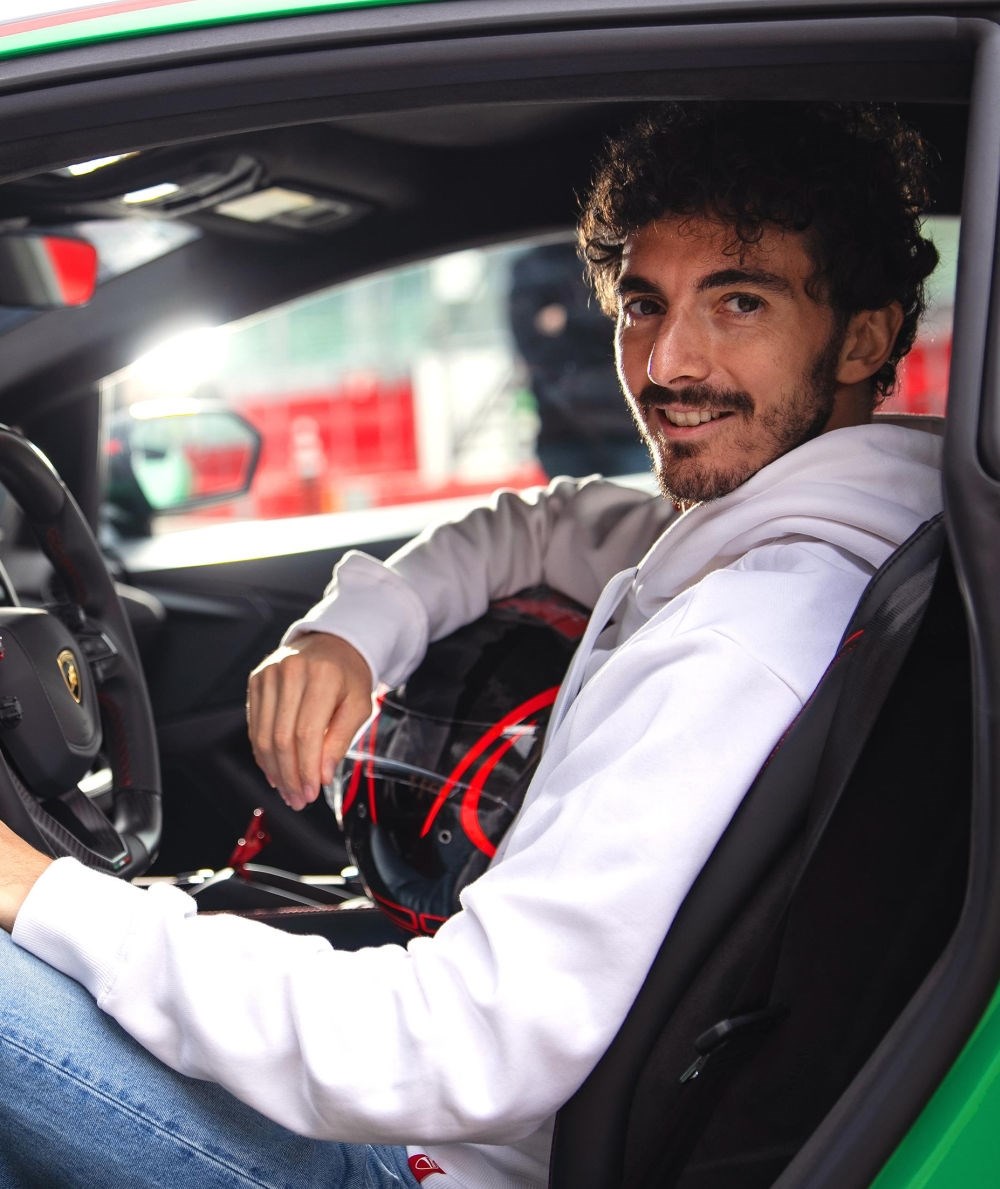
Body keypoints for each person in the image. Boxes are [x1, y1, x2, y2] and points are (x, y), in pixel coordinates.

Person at [0, 101, 943, 1188]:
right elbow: (535, 526)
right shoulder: (812, 534)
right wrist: (352, 635)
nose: (668, 362)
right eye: (644, 304)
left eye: (740, 301)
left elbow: (465, 1042)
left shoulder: (742, 639)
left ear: (863, 337)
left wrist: (42, 891)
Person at [507, 239, 649, 477]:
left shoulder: (613, 254)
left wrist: (567, 320)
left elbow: (626, 323)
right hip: (565, 435)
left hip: (624, 430)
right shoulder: (529, 268)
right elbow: (529, 341)